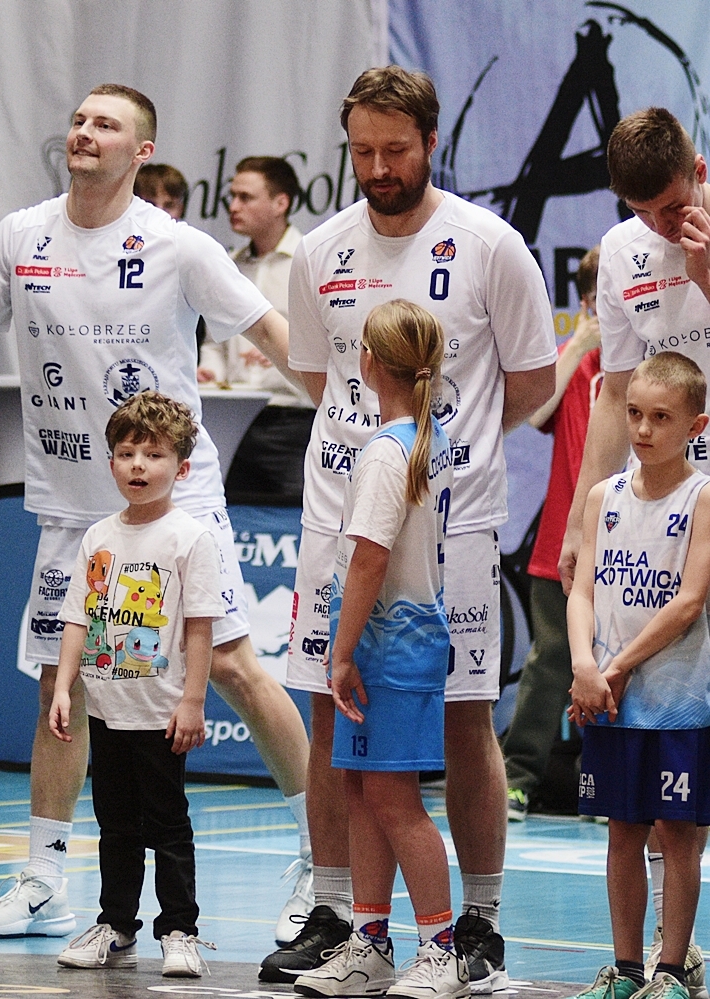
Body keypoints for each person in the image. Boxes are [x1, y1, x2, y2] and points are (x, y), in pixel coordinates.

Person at [0, 83, 314, 947]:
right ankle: (45, 879)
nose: (84, 132)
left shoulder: (177, 246)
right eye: (79, 120)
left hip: (177, 503)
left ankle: (320, 860)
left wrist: (354, 409)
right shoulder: (21, 236)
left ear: (142, 151)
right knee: (61, 688)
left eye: (106, 125)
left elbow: (272, 333)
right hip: (72, 508)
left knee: (235, 667)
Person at [269, 66, 556, 990]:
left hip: (452, 526)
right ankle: (342, 916)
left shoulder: (489, 244)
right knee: (331, 707)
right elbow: (318, 376)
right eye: (362, 151)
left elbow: (533, 384)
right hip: (337, 515)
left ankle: (477, 925)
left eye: (396, 150)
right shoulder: (321, 250)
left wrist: (433, 457)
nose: (379, 167)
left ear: (432, 141)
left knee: (465, 715)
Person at [557, 110, 710, 992]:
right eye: (641, 210)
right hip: (656, 505)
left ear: (699, 168)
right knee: (659, 732)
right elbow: (616, 393)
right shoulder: (622, 251)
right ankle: (663, 952)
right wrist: (585, 517)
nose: (659, 223)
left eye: (672, 204)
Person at [293, 299, 466, 999]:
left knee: (395, 801)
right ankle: (370, 943)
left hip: (391, 649)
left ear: (368, 362)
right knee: (363, 793)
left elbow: (369, 558)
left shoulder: (388, 453)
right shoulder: (421, 438)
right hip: (390, 646)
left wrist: (341, 653)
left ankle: (442, 951)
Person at [46, 392, 222, 979]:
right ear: (111, 462)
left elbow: (200, 628)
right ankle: (116, 923)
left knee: (168, 824)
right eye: (126, 454)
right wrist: (65, 687)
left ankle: (179, 930)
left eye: (154, 455)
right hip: (106, 709)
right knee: (114, 824)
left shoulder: (189, 539)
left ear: (182, 468)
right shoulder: (98, 536)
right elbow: (78, 617)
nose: (138, 466)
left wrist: (193, 701)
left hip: (161, 711)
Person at [565, 350, 710, 999]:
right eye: (634, 414)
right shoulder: (604, 497)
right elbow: (582, 591)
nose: (643, 429)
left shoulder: (702, 497)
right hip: (609, 697)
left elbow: (689, 600)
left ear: (696, 426)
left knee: (677, 832)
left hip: (679, 701)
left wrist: (617, 666)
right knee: (621, 830)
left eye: (661, 417)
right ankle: (624, 970)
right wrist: (584, 666)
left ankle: (671, 970)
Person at [502, 246, 602, 822]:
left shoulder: (653, 362)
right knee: (550, 662)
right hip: (561, 543)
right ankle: (517, 780)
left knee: (623, 666)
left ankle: (608, 784)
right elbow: (536, 413)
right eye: (600, 297)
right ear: (587, 302)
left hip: (634, 544)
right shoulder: (574, 361)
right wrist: (580, 346)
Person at [199, 155, 315, 505]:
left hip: (293, 419)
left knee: (294, 520)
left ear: (281, 203)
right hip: (230, 418)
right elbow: (214, 341)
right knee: (230, 515)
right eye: (232, 196)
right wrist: (211, 373)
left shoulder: (312, 260)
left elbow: (329, 340)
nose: (233, 206)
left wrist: (280, 353)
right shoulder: (229, 265)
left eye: (245, 197)